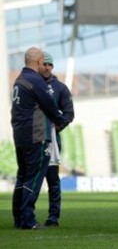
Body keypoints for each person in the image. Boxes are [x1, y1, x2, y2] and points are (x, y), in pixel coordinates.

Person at [11, 47, 66, 230]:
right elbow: (49, 104)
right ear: (38, 61)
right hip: (36, 134)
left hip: (20, 134)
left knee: (22, 176)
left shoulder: (19, 80)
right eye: (44, 61)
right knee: (34, 178)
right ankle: (28, 220)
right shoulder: (36, 80)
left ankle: (18, 218)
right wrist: (59, 120)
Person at [40, 52, 75, 227]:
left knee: (52, 178)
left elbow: (69, 114)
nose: (47, 67)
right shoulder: (31, 85)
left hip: (52, 139)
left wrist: (56, 127)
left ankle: (53, 217)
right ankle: (24, 215)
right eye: (44, 64)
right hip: (31, 138)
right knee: (28, 177)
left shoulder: (60, 88)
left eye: (50, 64)